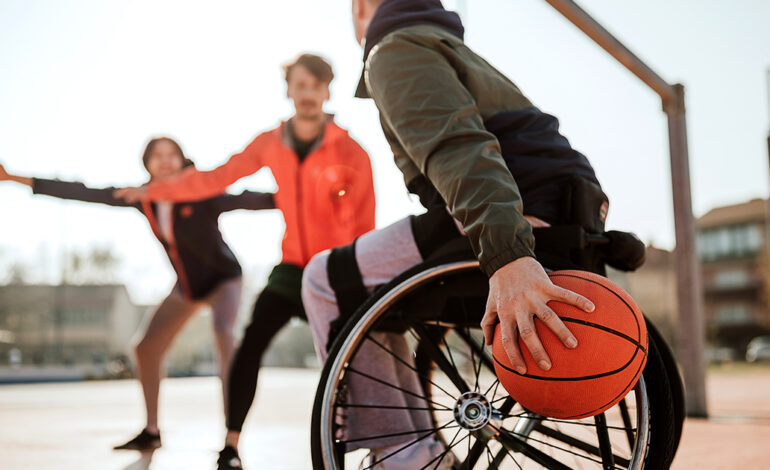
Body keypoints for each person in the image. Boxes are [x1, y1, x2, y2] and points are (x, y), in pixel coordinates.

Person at [300, 0, 605, 468]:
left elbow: (458, 149)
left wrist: (508, 255)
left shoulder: (395, 49)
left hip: (509, 216)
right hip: (557, 209)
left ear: (362, 6)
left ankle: (401, 456)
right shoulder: (449, 47)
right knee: (365, 289)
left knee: (324, 278)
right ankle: (414, 445)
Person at [115, 54, 376, 470]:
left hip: (336, 267)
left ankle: (363, 440)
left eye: (316, 86)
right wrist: (158, 190)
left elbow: (364, 221)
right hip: (291, 267)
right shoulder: (271, 142)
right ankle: (231, 446)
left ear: (327, 91)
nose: (307, 94)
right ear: (288, 90)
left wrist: (356, 272)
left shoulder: (352, 151)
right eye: (300, 85)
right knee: (249, 344)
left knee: (351, 355)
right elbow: (216, 178)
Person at [0, 137, 275, 451]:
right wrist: (14, 178)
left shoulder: (201, 190)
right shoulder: (143, 197)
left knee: (224, 336)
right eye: (157, 155)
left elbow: (248, 199)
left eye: (172, 154)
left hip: (224, 280)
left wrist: (298, 196)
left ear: (182, 159)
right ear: (147, 163)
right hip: (187, 286)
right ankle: (152, 431)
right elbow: (83, 192)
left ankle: (231, 439)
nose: (165, 161)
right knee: (146, 348)